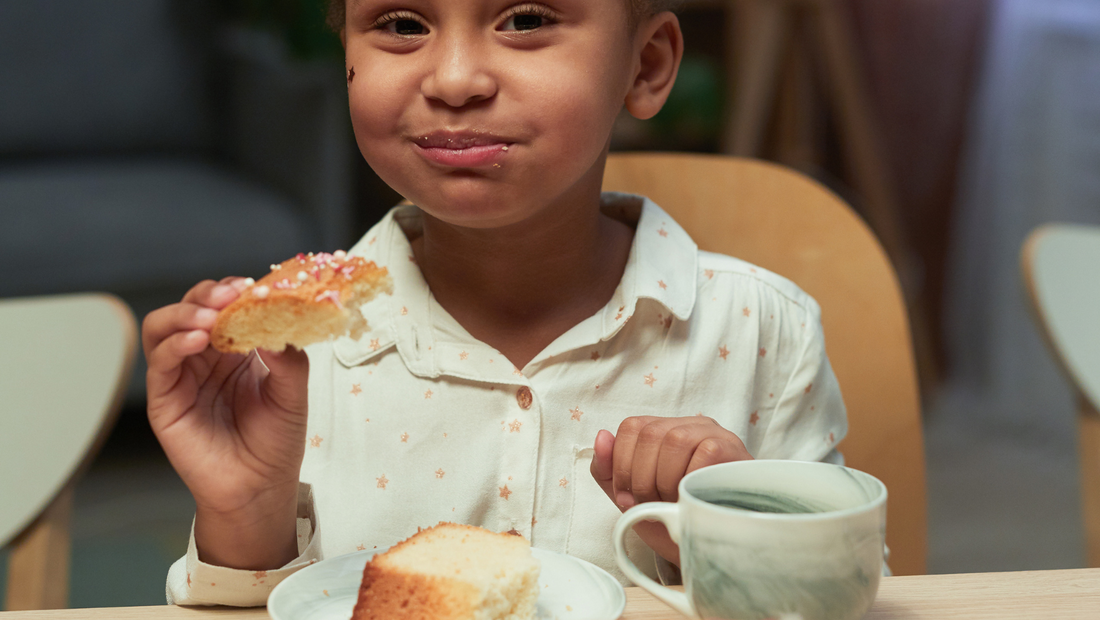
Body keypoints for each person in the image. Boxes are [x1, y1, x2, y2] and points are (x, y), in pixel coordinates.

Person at [144, 0, 846, 606]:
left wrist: (734, 533)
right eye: (401, 23)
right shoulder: (286, 358)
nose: (454, 79)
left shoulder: (761, 332)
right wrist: (246, 514)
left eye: (528, 19)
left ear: (647, 65)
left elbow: (838, 594)